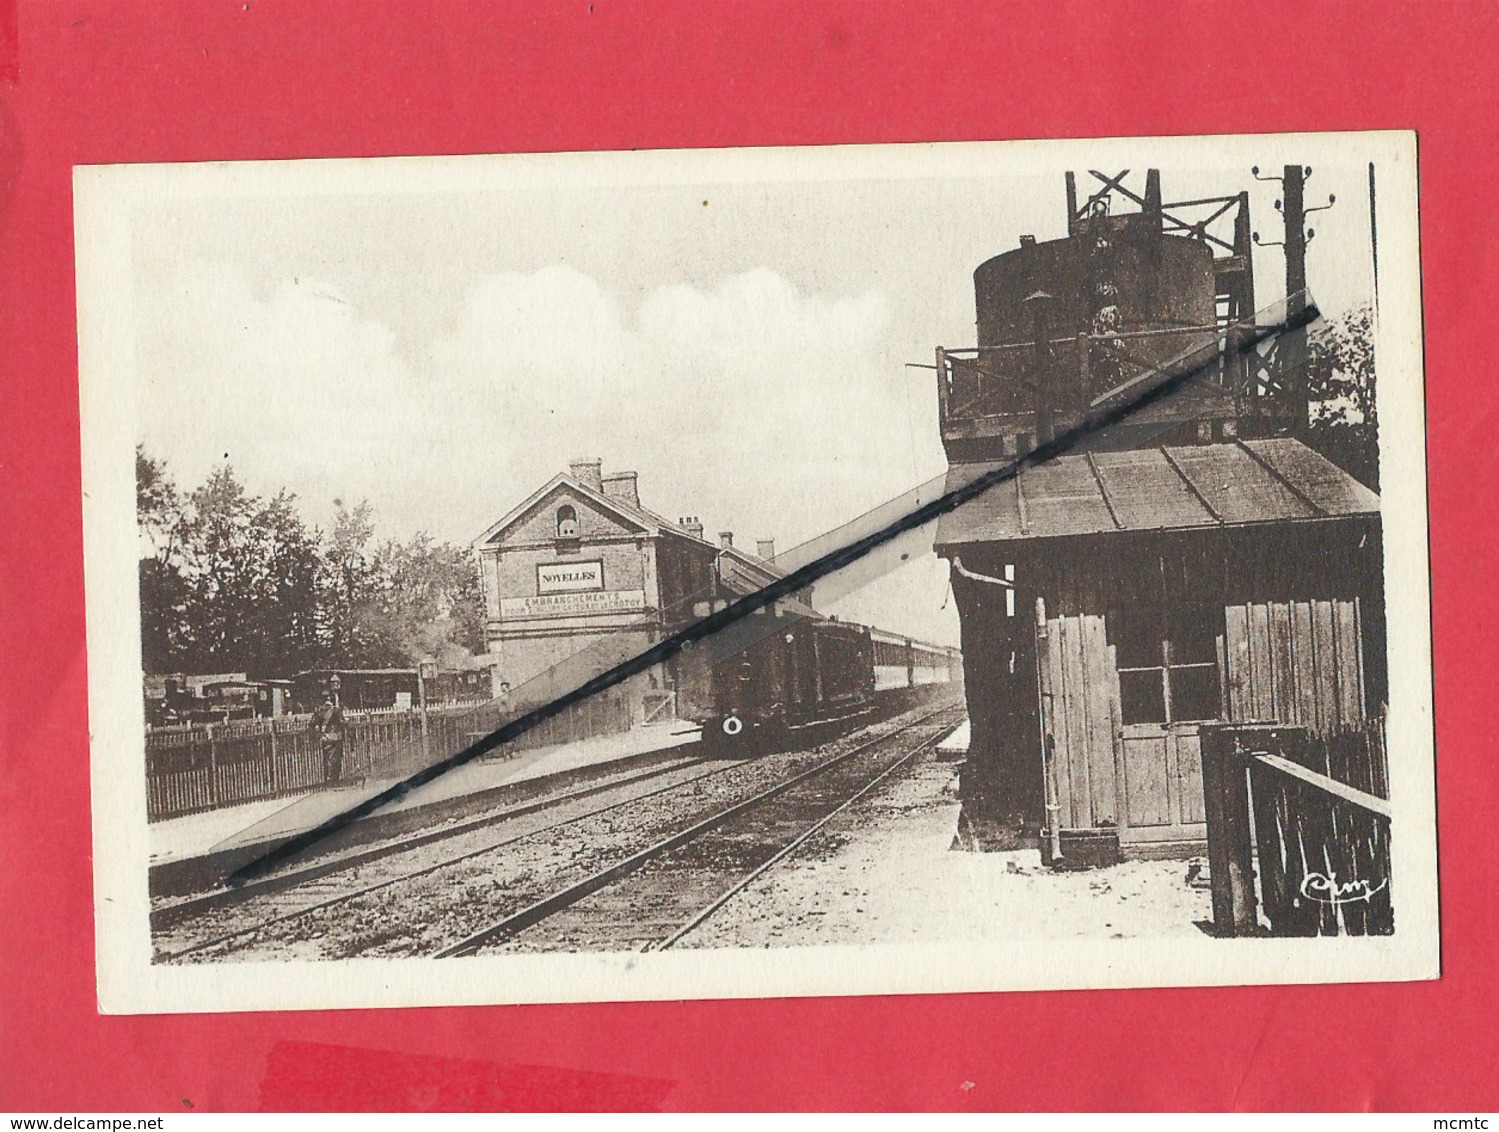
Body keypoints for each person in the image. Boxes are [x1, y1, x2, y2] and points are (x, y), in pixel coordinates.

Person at [314, 692, 346, 785]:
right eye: (326, 699)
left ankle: (333, 778)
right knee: (331, 759)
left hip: (334, 737)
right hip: (329, 737)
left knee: (334, 759)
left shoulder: (334, 711)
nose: (327, 702)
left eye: (329, 699)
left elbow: (341, 722)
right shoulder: (322, 711)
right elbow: (315, 723)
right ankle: (330, 778)